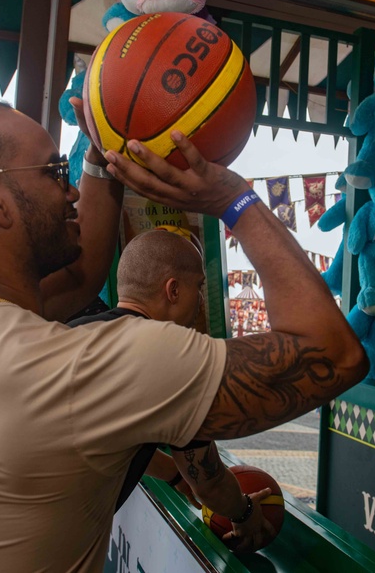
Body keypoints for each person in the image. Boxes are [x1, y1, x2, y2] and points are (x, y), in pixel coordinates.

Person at [0, 99, 367, 572]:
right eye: (53, 171)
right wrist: (231, 199)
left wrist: (101, 157)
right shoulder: (86, 370)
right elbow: (335, 354)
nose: (69, 191)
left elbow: (83, 274)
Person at [70, 229, 276, 550]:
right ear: (174, 290)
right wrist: (244, 512)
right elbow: (208, 483)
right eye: (199, 287)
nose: (201, 300)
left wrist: (175, 473)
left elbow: (111, 439)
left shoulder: (71, 332)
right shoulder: (174, 360)